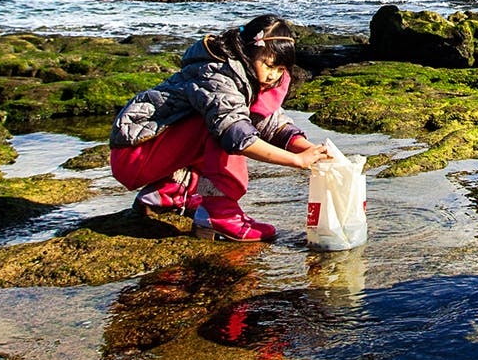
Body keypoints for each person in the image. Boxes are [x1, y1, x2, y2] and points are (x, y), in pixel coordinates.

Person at [109, 14, 332, 242]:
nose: (274, 75)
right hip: (136, 155)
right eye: (269, 65)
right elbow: (234, 131)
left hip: (156, 151)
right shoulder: (218, 74)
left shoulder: (248, 77)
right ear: (248, 52)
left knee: (228, 124)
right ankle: (220, 214)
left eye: (280, 69)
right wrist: (295, 160)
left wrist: (309, 150)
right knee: (226, 129)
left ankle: (171, 191)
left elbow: (270, 121)